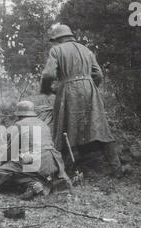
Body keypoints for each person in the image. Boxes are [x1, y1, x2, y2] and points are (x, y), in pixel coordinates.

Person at [40, 24, 123, 178]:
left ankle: (62, 172)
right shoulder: (87, 50)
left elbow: (48, 74)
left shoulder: (56, 50)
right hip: (89, 89)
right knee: (99, 127)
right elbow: (98, 75)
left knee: (63, 128)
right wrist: (90, 86)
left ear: (57, 39)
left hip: (68, 90)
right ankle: (116, 168)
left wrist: (47, 89)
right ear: (70, 36)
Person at [0, 101, 72, 200]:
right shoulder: (43, 124)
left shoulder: (19, 125)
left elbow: (12, 149)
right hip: (54, 161)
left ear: (19, 114)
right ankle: (45, 183)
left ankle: (33, 184)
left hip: (37, 161)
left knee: (3, 171)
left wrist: (2, 163)